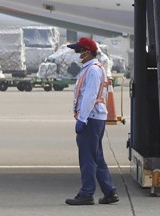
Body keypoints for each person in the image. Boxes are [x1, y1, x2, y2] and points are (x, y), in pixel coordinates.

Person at [64, 37, 118, 206]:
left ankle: (87, 193)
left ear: (87, 52)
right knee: (97, 157)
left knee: (87, 157)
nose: (77, 53)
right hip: (95, 118)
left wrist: (82, 118)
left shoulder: (93, 70)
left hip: (91, 118)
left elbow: (90, 96)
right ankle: (109, 192)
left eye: (79, 50)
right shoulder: (92, 68)